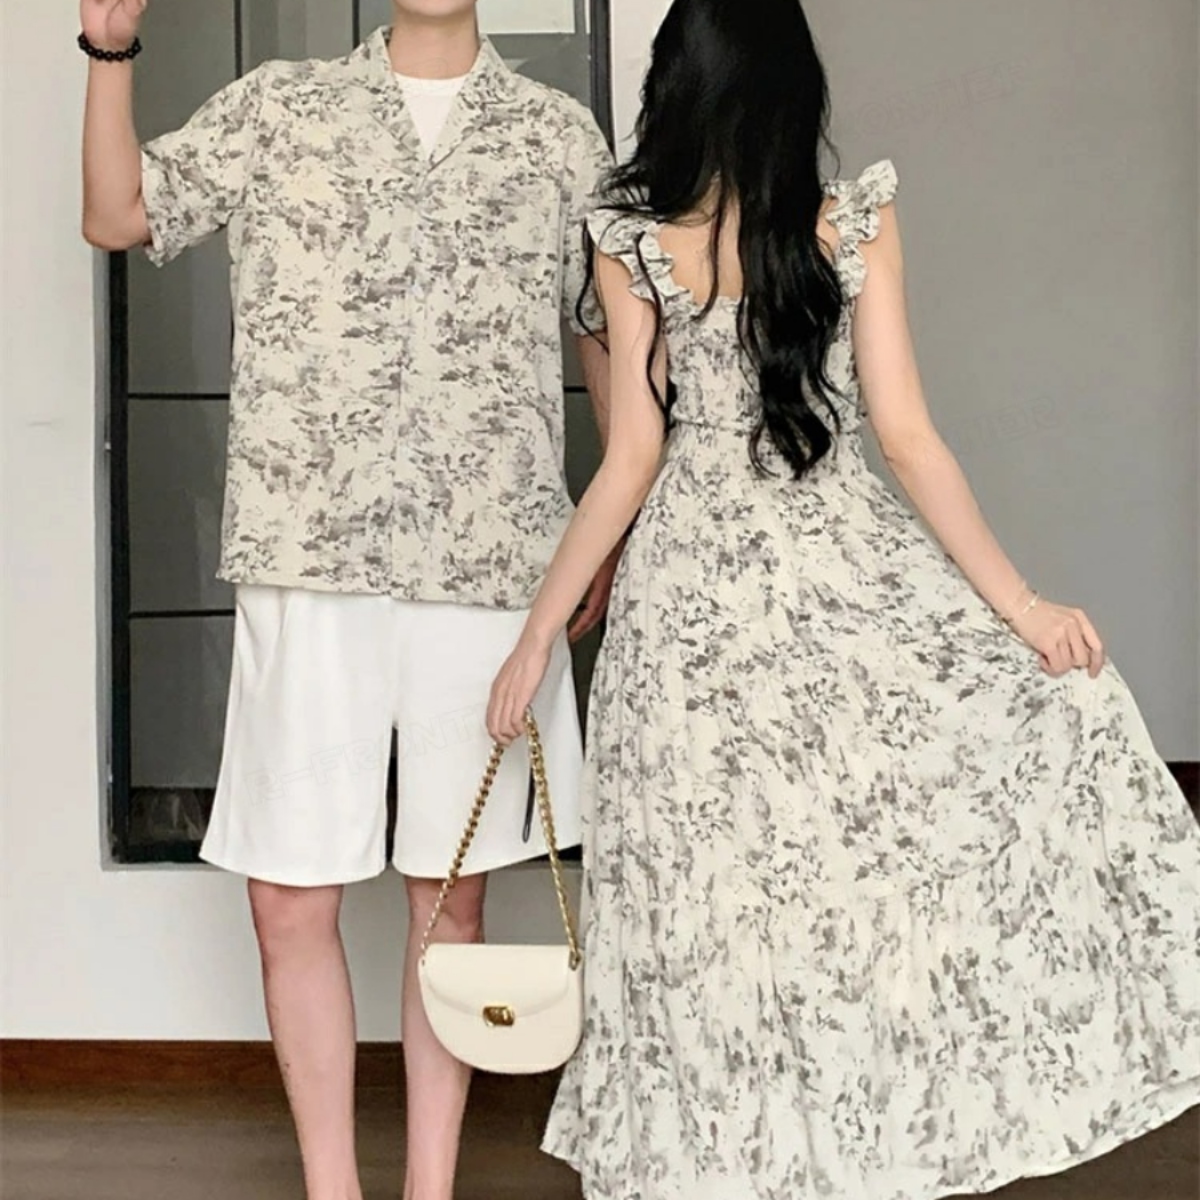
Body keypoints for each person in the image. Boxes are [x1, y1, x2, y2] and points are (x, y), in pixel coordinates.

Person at [486, 1, 1200, 1196]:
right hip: (823, 580)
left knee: (706, 900)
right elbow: (909, 439)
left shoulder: (638, 238)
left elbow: (630, 462)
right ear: (790, 88)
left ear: (677, 84)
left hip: (693, 609)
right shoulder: (841, 225)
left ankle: (742, 1164)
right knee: (825, 890)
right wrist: (1023, 607)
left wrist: (535, 637)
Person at [80, 0, 614, 1197]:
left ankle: (429, 1188)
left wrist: (607, 533)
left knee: (450, 905)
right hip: (307, 554)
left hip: (488, 566)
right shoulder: (282, 108)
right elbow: (117, 213)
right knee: (288, 898)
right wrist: (109, 51)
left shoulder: (559, 138)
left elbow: (609, 339)